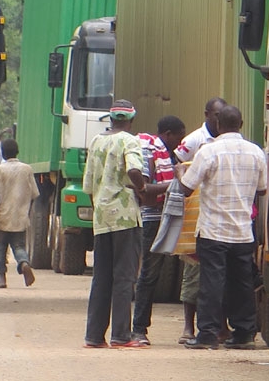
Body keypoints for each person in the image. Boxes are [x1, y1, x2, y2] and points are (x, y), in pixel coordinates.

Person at [179, 104, 268, 350]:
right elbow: (262, 189)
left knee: (211, 283)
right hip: (242, 231)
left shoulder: (209, 152)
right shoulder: (256, 152)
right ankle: (244, 334)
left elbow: (187, 188)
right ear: (241, 124)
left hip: (213, 230)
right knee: (242, 284)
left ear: (218, 125)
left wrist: (179, 173)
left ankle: (208, 334)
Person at [83, 100, 148, 349]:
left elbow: (89, 183)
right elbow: (134, 171)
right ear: (131, 120)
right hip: (124, 216)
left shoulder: (96, 141)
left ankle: (94, 335)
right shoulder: (130, 141)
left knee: (101, 277)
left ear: (110, 119)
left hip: (102, 216)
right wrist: (142, 188)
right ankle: (121, 334)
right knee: (124, 276)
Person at [130, 115, 186, 346]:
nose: (179, 143)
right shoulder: (149, 151)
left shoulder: (166, 154)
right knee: (149, 275)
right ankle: (138, 329)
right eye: (178, 138)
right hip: (152, 219)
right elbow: (144, 191)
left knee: (154, 274)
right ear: (168, 134)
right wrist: (177, 184)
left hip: (166, 215)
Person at [174, 96, 226, 344]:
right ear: (207, 115)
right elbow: (178, 167)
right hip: (196, 213)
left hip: (219, 213)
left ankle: (220, 326)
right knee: (193, 272)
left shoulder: (228, 139)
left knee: (218, 275)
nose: (220, 120)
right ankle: (188, 326)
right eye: (217, 115)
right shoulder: (194, 140)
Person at [0, 139, 39, 289]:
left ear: (3, 153)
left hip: (3, 217)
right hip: (20, 217)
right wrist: (26, 212)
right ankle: (24, 263)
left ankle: (2, 278)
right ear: (17, 152)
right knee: (19, 246)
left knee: (0, 249)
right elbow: (34, 194)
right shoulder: (27, 169)